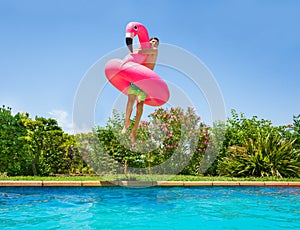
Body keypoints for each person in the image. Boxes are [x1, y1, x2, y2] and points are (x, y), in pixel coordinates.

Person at [121, 37, 160, 142]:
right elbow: (136, 55)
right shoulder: (145, 52)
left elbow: (140, 51)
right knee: (130, 100)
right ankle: (126, 123)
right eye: (152, 41)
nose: (154, 44)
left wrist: (138, 50)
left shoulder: (154, 50)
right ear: (149, 42)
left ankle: (134, 130)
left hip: (145, 81)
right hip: (136, 78)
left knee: (140, 104)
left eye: (156, 43)